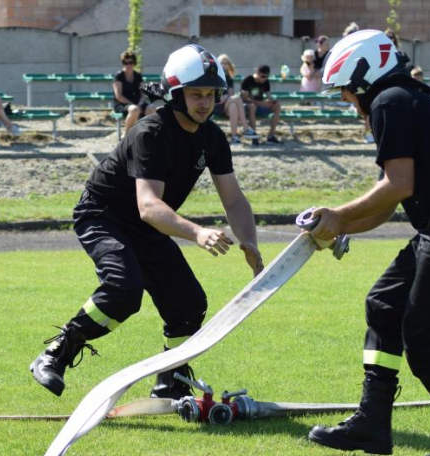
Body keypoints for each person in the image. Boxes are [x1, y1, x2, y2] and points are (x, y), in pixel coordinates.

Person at [306, 30, 430, 456]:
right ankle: (372, 422)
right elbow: (393, 197)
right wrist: (342, 225)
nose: (345, 101)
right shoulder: (400, 97)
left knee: (424, 340)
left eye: (344, 92)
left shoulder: (388, 102)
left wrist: (339, 214)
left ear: (361, 76)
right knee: (383, 304)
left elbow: (397, 184)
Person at [29, 44, 264, 399]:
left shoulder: (213, 137)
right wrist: (197, 231)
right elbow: (149, 206)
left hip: (147, 224)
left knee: (188, 304)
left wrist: (252, 246)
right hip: (104, 215)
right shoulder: (150, 133)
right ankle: (56, 352)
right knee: (124, 291)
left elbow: (233, 199)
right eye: (196, 94)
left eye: (211, 94)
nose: (205, 102)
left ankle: (172, 378)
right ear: (174, 94)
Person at [214, 54, 257, 144]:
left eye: (226, 63)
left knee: (233, 105)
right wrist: (225, 97)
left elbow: (231, 95)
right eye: (222, 63)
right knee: (236, 99)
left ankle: (234, 137)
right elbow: (216, 99)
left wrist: (226, 97)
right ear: (217, 63)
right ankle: (246, 129)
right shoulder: (214, 76)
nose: (224, 65)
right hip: (216, 106)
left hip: (226, 106)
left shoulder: (229, 78)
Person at [113, 50, 157, 135]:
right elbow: (119, 96)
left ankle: (147, 134)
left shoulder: (138, 76)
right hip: (122, 104)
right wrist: (134, 105)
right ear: (123, 63)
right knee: (134, 109)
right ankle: (126, 135)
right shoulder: (118, 76)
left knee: (152, 107)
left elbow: (143, 94)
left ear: (134, 63)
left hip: (137, 103)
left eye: (131, 62)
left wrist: (140, 104)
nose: (128, 65)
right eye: (126, 63)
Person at [240, 65, 282, 144]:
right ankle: (254, 136)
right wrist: (260, 103)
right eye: (263, 76)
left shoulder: (266, 82)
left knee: (277, 105)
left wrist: (272, 102)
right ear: (257, 73)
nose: (264, 79)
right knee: (252, 107)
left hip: (259, 105)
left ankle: (271, 136)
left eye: (266, 77)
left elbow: (269, 96)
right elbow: (244, 99)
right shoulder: (247, 80)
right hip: (247, 106)